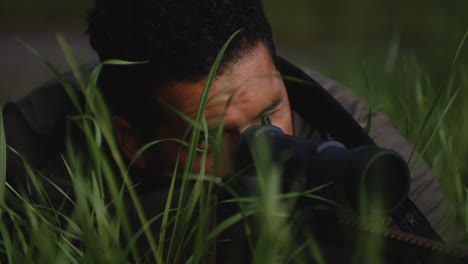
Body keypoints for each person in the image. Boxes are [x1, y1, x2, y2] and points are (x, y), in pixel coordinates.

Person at [2, 0, 459, 259]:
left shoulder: (368, 159)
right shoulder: (28, 151)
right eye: (209, 137)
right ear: (133, 142)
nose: (261, 145)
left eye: (270, 112)